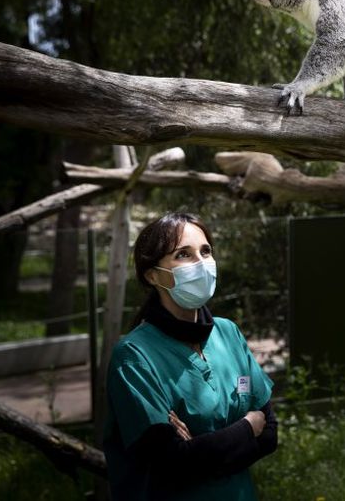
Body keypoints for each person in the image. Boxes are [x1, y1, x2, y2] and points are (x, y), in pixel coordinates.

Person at [103, 212, 277, 500]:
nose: (201, 263)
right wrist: (248, 425)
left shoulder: (228, 333)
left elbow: (270, 434)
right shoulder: (134, 356)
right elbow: (172, 463)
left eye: (205, 251)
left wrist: (201, 448)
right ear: (153, 275)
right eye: (184, 254)